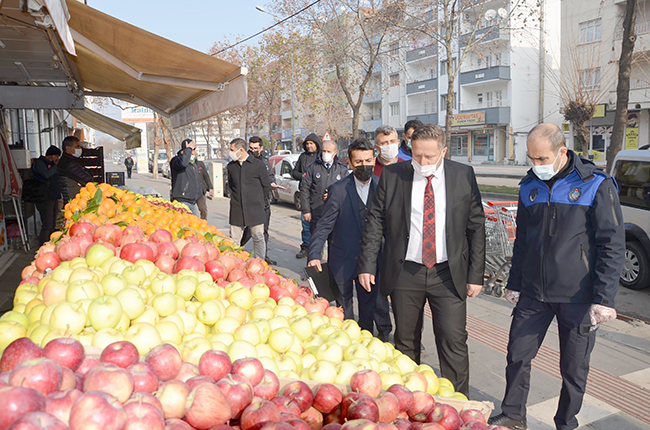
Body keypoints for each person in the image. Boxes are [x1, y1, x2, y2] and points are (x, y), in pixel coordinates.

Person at [488, 124, 625, 430]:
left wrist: (603, 298)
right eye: (531, 159)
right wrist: (515, 283)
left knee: (573, 368)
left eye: (542, 158)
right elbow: (522, 240)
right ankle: (513, 413)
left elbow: (612, 244)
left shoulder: (596, 185)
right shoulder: (529, 187)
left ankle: (566, 422)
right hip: (534, 293)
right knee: (517, 356)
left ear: (562, 151)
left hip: (578, 296)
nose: (537, 166)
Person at [358, 124, 485, 397]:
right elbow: (375, 222)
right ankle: (410, 403)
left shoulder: (463, 175)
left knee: (453, 341)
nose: (422, 162)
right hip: (406, 272)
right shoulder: (394, 176)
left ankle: (457, 403)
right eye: (417, 155)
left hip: (448, 274)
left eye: (429, 156)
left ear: (444, 151)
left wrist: (476, 275)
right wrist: (367, 265)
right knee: (405, 342)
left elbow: (476, 227)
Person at [307, 138, 386, 335]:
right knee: (344, 309)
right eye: (358, 162)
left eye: (368, 160)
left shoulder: (383, 188)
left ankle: (367, 338)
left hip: (371, 262)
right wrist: (314, 253)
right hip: (342, 260)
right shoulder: (338, 190)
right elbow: (324, 225)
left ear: (374, 160)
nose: (364, 165)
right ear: (349, 163)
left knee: (368, 308)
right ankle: (347, 340)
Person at [227, 138, 272, 261]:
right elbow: (231, 185)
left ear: (241, 150)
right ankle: (234, 262)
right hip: (237, 207)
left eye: (232, 150)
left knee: (258, 237)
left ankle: (260, 262)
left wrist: (259, 201)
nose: (230, 153)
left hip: (255, 208)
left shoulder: (258, 165)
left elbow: (266, 186)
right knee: (234, 239)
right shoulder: (231, 167)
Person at [300, 139, 349, 246]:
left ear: (335, 153)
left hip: (335, 214)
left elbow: (347, 191)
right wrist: (306, 210)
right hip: (317, 212)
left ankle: (331, 263)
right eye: (324, 151)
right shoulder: (313, 168)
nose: (325, 154)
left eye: (329, 151)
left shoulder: (341, 170)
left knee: (335, 244)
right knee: (316, 243)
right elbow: (304, 189)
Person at [241, 136, 277, 265]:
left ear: (261, 148)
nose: (253, 151)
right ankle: (237, 248)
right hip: (250, 202)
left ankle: (263, 255)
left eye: (255, 148)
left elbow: (270, 176)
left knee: (264, 230)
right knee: (248, 230)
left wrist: (272, 183)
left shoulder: (265, 161)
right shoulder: (246, 161)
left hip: (264, 201)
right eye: (251, 148)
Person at [292, 133, 322, 258]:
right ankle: (306, 247)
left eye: (311, 144)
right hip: (305, 195)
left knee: (319, 226)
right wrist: (302, 176)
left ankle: (317, 250)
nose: (309, 146)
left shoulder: (321, 157)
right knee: (306, 224)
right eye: (307, 144)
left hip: (318, 196)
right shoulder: (303, 157)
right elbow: (294, 172)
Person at [32, 146, 62, 245]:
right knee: (47, 224)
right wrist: (55, 166)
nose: (57, 158)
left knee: (53, 223)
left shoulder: (52, 164)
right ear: (51, 155)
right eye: (56, 156)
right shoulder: (39, 163)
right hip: (44, 198)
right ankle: (43, 244)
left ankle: (51, 243)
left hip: (53, 196)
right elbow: (46, 174)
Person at [170, 138, 202, 216]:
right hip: (182, 200)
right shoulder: (176, 161)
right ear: (184, 151)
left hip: (193, 201)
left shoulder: (192, 164)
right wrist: (189, 149)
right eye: (192, 150)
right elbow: (183, 163)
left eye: (194, 150)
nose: (193, 152)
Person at [58, 136, 94, 203]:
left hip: (68, 197)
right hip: (73, 199)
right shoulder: (69, 163)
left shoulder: (64, 160)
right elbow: (87, 179)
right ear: (68, 148)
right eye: (77, 147)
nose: (80, 149)